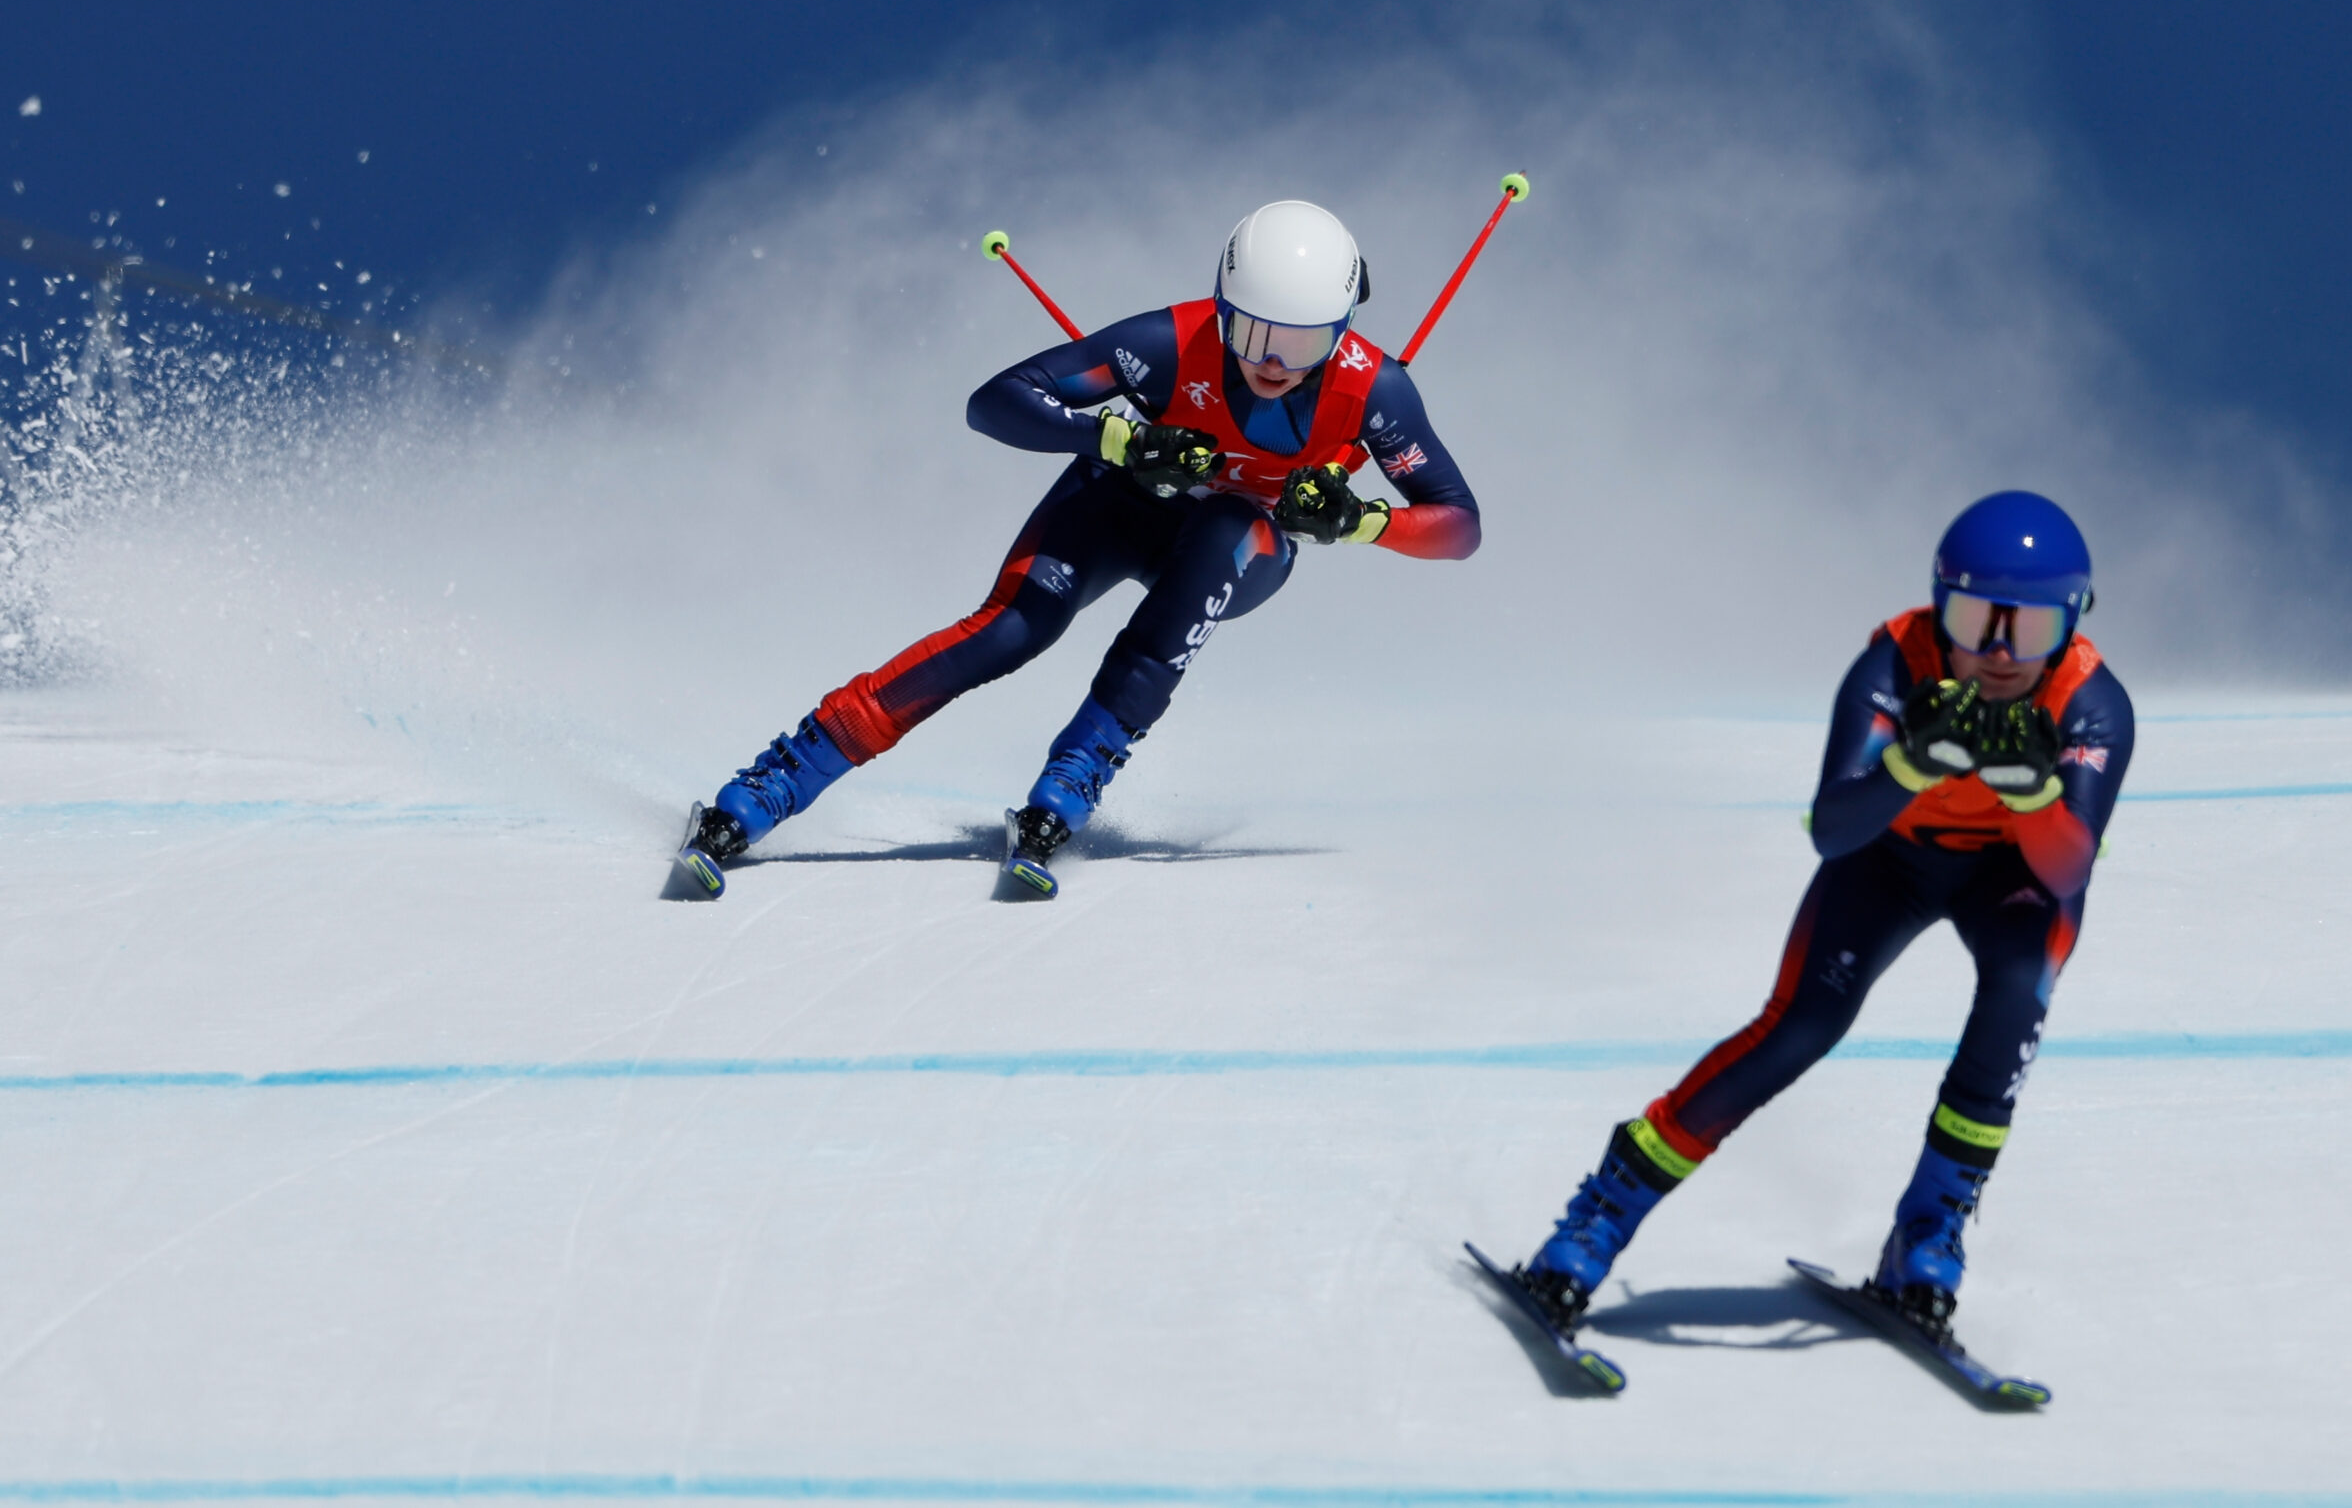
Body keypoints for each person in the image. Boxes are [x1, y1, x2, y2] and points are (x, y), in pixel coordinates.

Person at [667, 200, 1481, 900]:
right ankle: (779, 777)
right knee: (1014, 627)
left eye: (1301, 345)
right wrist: (1120, 437)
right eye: (1254, 329)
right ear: (1221, 304)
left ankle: (1071, 780)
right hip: (1120, 505)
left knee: (1228, 527)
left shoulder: (1376, 390)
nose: (1271, 360)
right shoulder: (1174, 339)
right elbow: (997, 402)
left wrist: (1360, 518)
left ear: (1340, 335)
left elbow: (1458, 525)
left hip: (1241, 547)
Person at [1500, 491, 2133, 1342]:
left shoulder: (2094, 702)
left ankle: (1925, 1234)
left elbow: (2066, 866)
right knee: (1798, 1029)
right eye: (1975, 618)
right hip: (1889, 861)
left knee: (2015, 998)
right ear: (1939, 603)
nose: (1995, 653)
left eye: (2027, 630)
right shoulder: (1895, 663)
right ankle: (1599, 1217)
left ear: (2071, 624)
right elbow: (1835, 832)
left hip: (2014, 876)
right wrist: (1908, 768)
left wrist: (2030, 787)